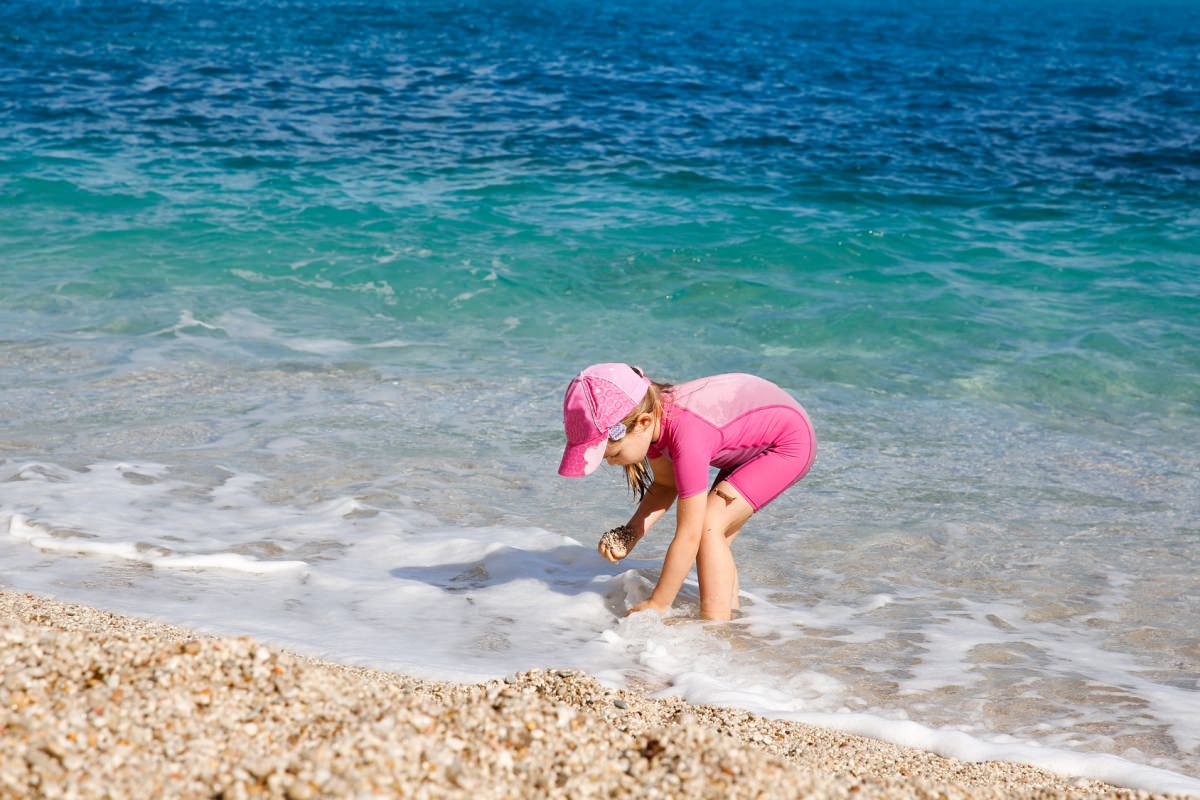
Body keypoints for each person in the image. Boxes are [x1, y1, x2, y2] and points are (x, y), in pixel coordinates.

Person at [558, 363, 816, 620]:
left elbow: (689, 535)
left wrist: (659, 602)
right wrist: (631, 532)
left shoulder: (686, 435)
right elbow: (665, 485)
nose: (611, 463)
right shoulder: (656, 422)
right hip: (756, 439)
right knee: (714, 539)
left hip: (788, 442)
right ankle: (731, 620)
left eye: (612, 454)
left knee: (707, 526)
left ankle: (716, 629)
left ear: (643, 422)